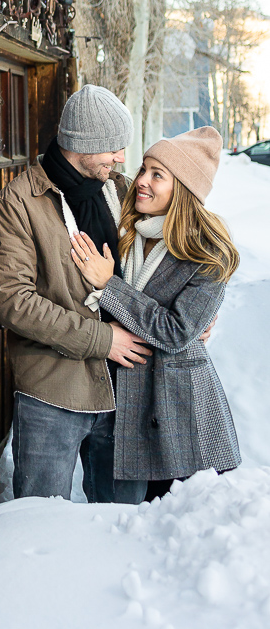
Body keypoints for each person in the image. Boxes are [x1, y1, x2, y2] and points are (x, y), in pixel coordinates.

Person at [0, 85, 152, 505]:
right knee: (39, 524)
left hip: (124, 388)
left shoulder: (122, 191)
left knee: (122, 525)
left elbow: (174, 252)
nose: (120, 159)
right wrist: (102, 340)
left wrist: (193, 316)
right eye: (113, 148)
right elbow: (12, 301)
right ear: (83, 146)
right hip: (53, 392)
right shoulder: (18, 204)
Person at [69, 126, 240, 497]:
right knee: (122, 521)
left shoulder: (209, 253)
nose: (141, 181)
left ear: (183, 188)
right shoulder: (127, 230)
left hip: (177, 406)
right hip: (122, 401)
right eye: (143, 169)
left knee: (180, 525)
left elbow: (177, 331)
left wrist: (108, 285)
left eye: (156, 175)